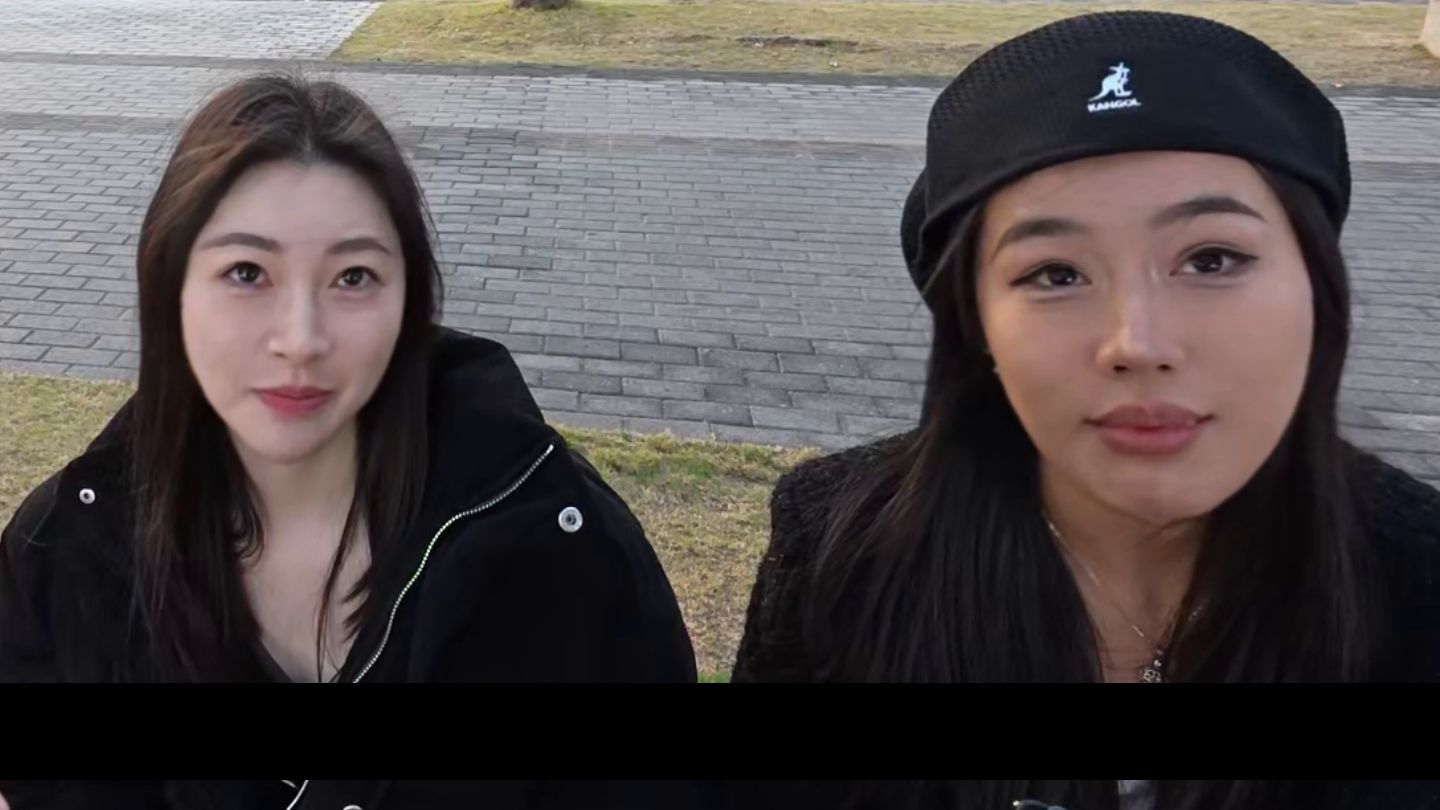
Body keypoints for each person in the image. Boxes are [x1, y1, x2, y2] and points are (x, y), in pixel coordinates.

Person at [732, 3, 1440, 788]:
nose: (1138, 344)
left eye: (1211, 260)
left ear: (1316, 286)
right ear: (974, 325)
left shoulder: (1420, 577)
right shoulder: (841, 554)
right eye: (1056, 274)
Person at [0, 74, 698, 808]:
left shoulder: (562, 555)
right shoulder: (69, 551)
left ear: (410, 303)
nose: (300, 339)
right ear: (170, 289)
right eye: (247, 272)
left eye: (354, 277)